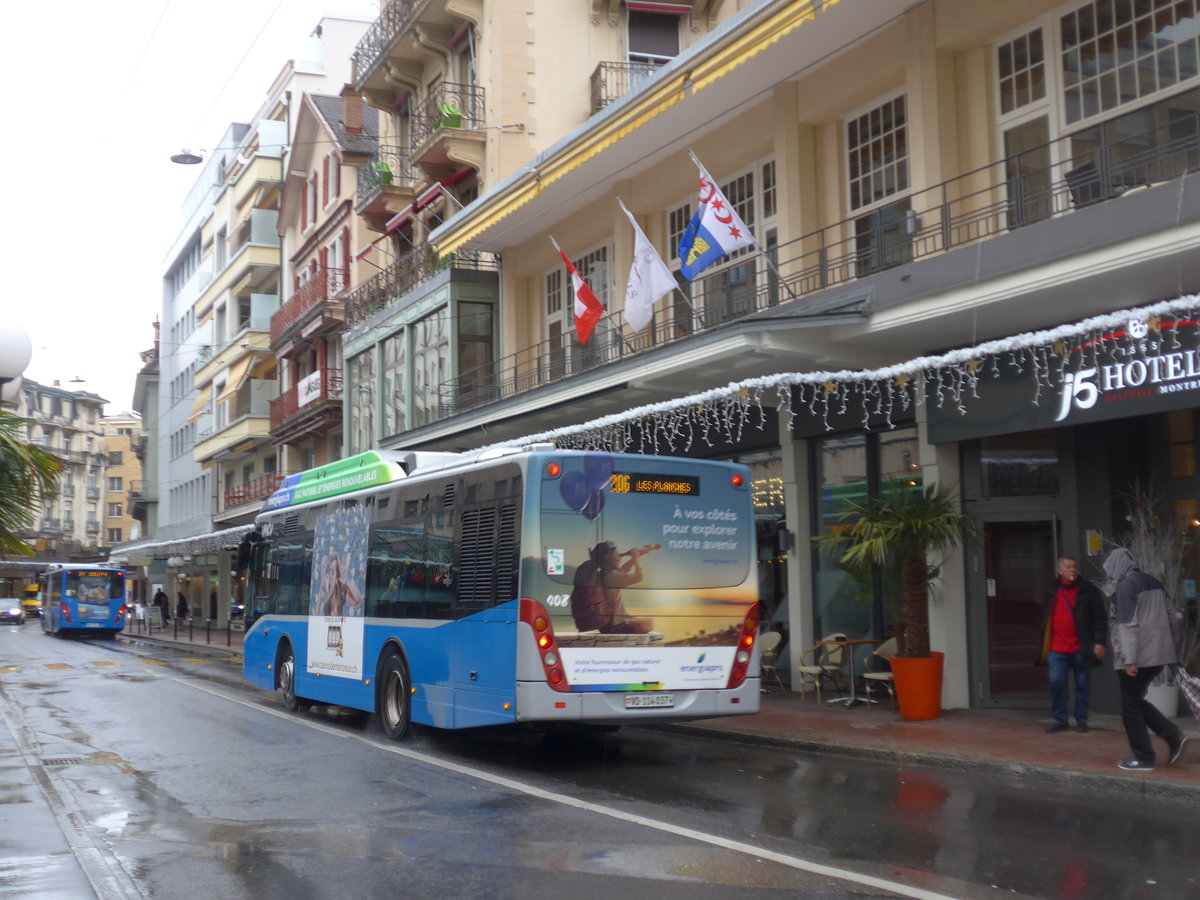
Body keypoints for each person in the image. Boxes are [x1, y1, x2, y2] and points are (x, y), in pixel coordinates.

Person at [1102, 546, 1188, 772]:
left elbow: (1127, 625)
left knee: (1130, 707)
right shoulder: (1153, 582)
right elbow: (1173, 618)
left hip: (1138, 658)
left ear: (1116, 566)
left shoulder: (1126, 587)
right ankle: (1172, 736)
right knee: (1135, 701)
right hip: (1160, 655)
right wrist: (1172, 652)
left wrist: (1128, 660)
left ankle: (1144, 757)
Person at [1038, 556, 1107, 734]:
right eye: (1068, 567)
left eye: (1074, 567)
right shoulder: (1051, 591)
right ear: (1060, 571)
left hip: (1080, 647)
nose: (1072, 570)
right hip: (1057, 648)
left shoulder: (1088, 590)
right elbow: (1045, 615)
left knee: (1082, 684)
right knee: (1056, 683)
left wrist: (1099, 642)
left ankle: (1081, 720)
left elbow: (1100, 617)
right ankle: (1059, 719)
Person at [570, 541, 655, 634]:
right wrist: (635, 556)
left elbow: (624, 568)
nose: (619, 557)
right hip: (616, 625)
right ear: (608, 559)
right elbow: (639, 577)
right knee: (648, 623)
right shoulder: (612, 578)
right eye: (616, 554)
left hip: (610, 624)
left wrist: (637, 555)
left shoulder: (606, 575)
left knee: (641, 621)